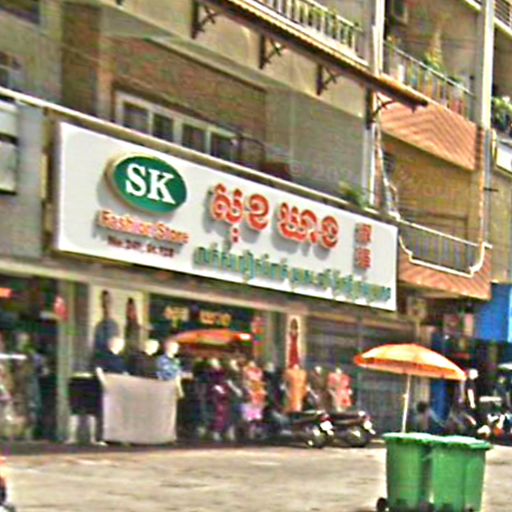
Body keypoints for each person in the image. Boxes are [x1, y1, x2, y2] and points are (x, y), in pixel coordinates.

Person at [93, 290, 120, 357]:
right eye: (104, 302)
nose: (106, 305)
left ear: (111, 303)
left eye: (107, 302)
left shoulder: (115, 326)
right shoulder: (98, 327)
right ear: (101, 304)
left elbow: (117, 349)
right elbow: (96, 349)